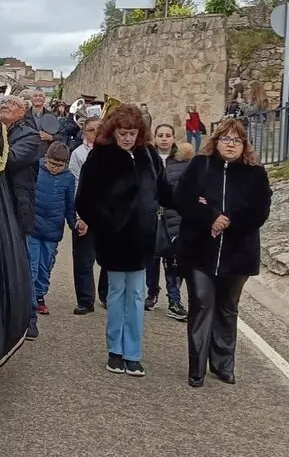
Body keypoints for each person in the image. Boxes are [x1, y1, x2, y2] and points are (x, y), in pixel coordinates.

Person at [174, 117, 271, 388]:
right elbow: (182, 198)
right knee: (202, 304)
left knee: (228, 308)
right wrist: (209, 216)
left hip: (238, 252)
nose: (231, 145)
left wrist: (228, 220)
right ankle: (197, 367)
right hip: (199, 250)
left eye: (237, 140)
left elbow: (259, 210)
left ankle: (224, 364)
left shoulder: (255, 174)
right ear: (216, 142)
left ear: (244, 145)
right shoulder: (199, 166)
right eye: (226, 139)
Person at [76, 104, 172, 377]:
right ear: (113, 132)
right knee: (117, 295)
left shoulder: (149, 155)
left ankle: (133, 352)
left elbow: (165, 192)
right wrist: (107, 223)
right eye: (123, 133)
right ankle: (115, 351)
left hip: (142, 238)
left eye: (132, 133)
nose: (128, 138)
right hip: (115, 239)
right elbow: (84, 199)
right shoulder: (100, 157)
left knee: (137, 295)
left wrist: (196, 200)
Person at [0, 94, 43, 339]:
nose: (4, 106)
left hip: (16, 206)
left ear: (22, 112)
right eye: (2, 103)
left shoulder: (30, 136)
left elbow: (9, 159)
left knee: (21, 262)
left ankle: (30, 317)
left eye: (11, 104)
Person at [29, 142, 78, 316]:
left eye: (60, 165)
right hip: (33, 227)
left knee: (45, 266)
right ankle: (30, 300)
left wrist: (74, 224)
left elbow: (70, 205)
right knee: (32, 266)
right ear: (46, 159)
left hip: (52, 231)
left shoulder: (68, 179)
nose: (55, 168)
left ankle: (40, 295)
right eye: (52, 163)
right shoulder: (36, 170)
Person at [145, 124, 186, 317]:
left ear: (173, 138)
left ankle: (174, 299)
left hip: (173, 217)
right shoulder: (147, 160)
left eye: (168, 135)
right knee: (151, 259)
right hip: (152, 216)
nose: (164, 139)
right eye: (160, 135)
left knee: (174, 261)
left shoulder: (183, 163)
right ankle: (151, 293)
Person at [69, 116, 100, 315]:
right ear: (85, 132)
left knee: (111, 258)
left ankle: (106, 295)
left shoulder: (118, 153)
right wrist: (80, 216)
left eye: (100, 129)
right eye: (91, 130)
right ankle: (86, 299)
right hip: (86, 212)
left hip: (109, 214)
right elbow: (75, 186)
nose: (96, 133)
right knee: (83, 259)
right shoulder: (78, 154)